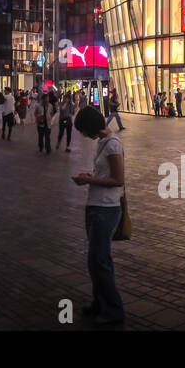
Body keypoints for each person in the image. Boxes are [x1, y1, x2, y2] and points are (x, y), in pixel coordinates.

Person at [71, 105, 125, 325]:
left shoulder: (112, 144)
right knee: (95, 261)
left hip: (106, 208)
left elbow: (118, 179)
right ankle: (99, 303)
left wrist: (90, 180)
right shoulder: (102, 142)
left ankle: (114, 310)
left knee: (100, 261)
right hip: (95, 206)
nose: (83, 134)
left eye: (83, 129)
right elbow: (105, 174)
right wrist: (91, 176)